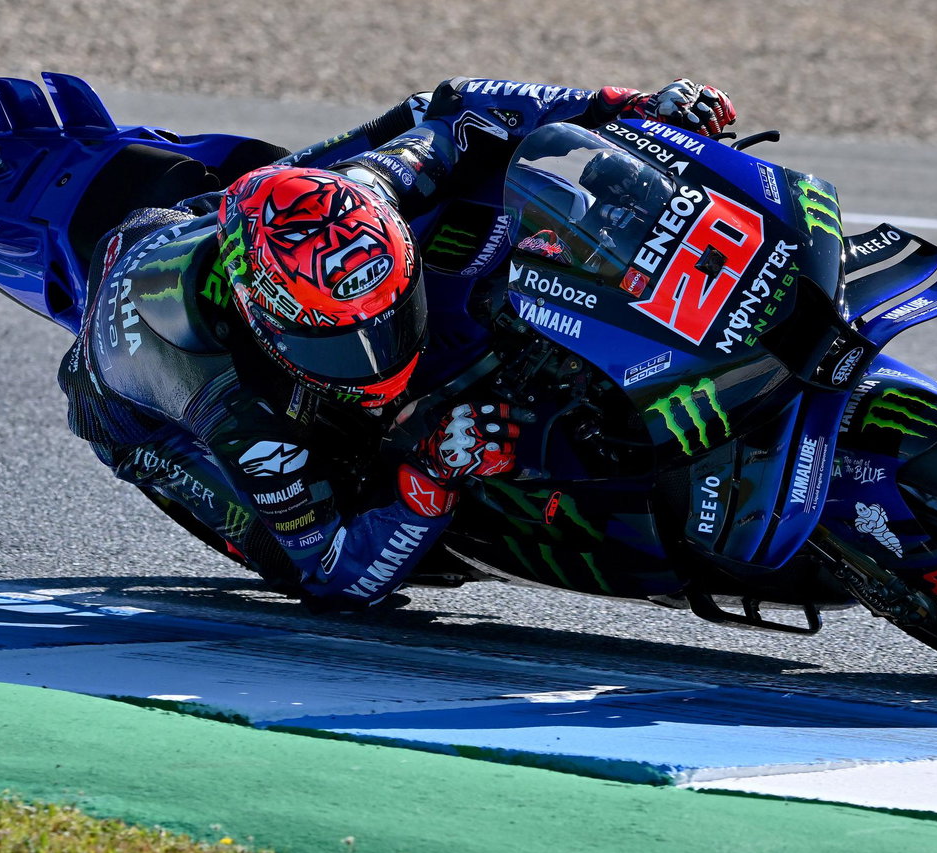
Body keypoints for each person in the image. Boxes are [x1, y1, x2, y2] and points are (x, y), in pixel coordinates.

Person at [58, 76, 737, 613]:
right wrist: (431, 474)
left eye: (388, 317)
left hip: (207, 223)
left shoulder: (373, 187)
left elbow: (462, 105)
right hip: (132, 410)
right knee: (292, 552)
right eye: (341, 344)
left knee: (469, 180)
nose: (377, 361)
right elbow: (334, 574)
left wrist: (621, 106)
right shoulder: (236, 412)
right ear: (268, 323)